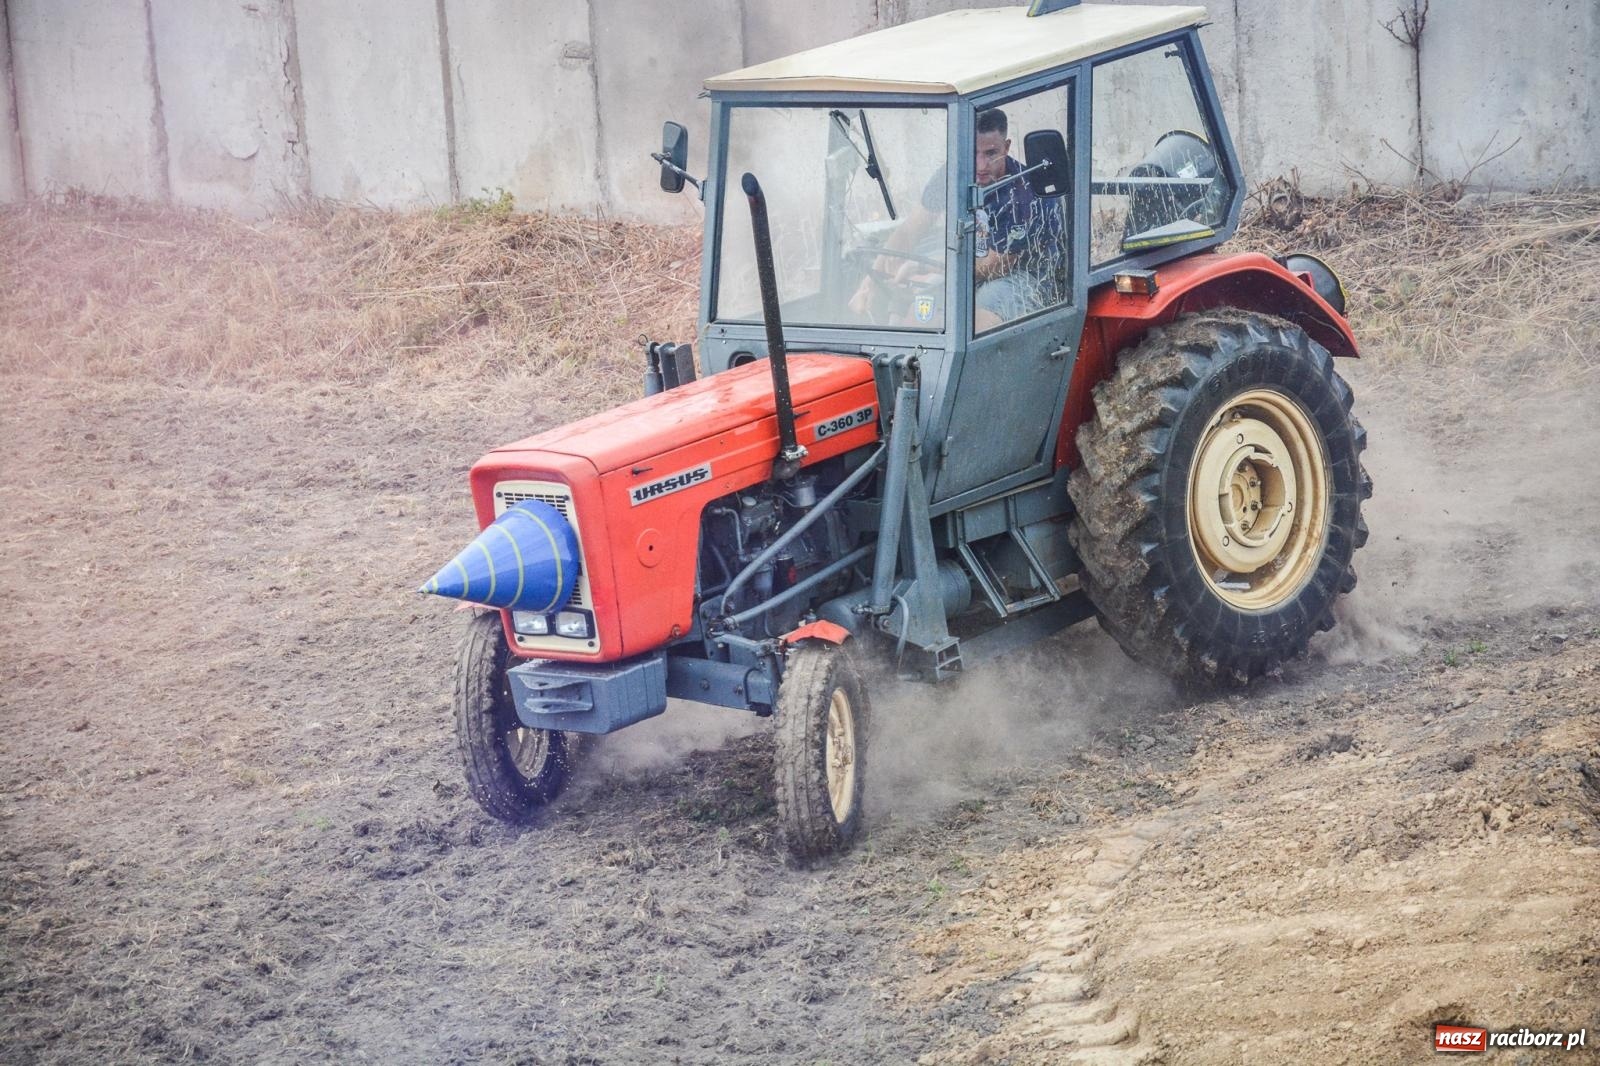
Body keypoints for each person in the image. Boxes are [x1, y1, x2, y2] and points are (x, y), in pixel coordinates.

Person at [849, 107, 1064, 332]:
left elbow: (994, 266)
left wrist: (925, 267)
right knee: (911, 308)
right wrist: (871, 281)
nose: (981, 165)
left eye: (991, 153)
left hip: (1021, 277)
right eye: (973, 153)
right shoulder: (952, 174)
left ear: (1007, 147)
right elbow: (909, 231)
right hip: (965, 265)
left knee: (974, 328)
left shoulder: (1024, 195)